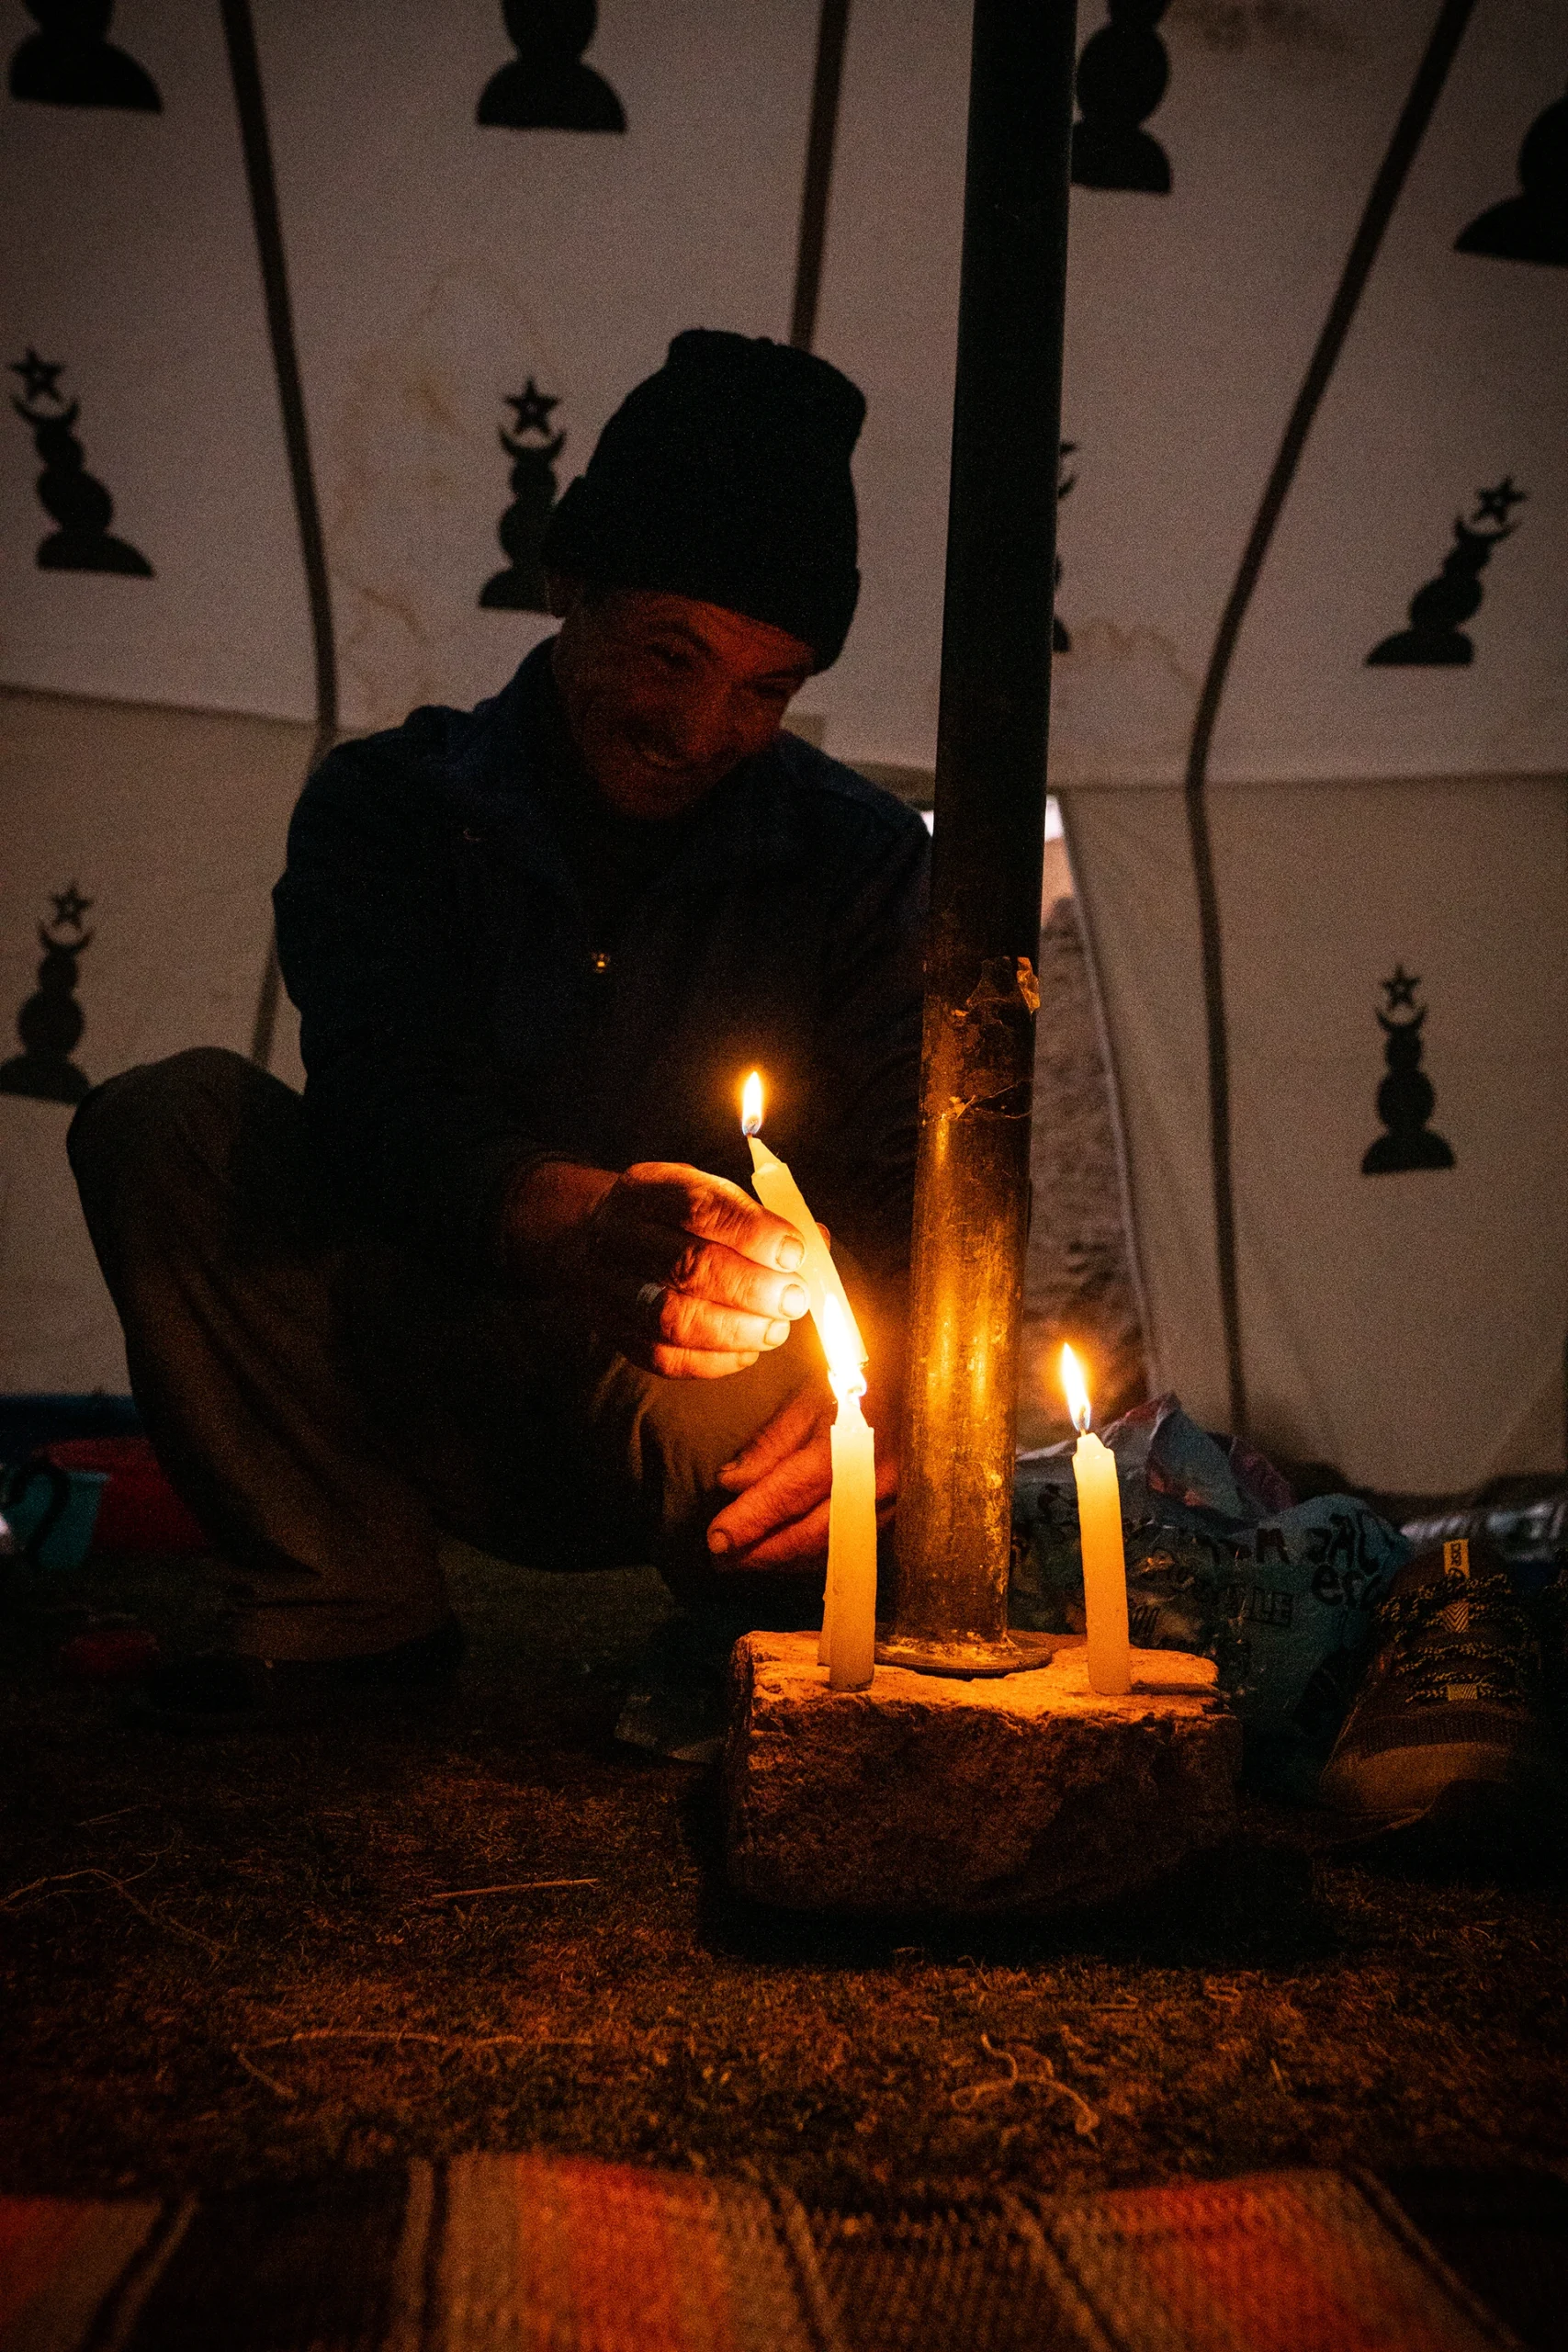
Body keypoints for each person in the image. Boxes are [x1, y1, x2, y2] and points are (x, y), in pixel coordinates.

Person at [68, 329, 930, 1729]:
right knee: (168, 1122)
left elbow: (914, 1179)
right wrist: (565, 1220)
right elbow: (380, 1103)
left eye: (765, 687)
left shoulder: (861, 859)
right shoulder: (396, 808)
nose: (705, 725)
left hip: (694, 1406)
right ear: (566, 587)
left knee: (825, 1365)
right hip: (406, 1341)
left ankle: (770, 1641)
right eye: (671, 653)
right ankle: (345, 1597)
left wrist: (895, 1396)